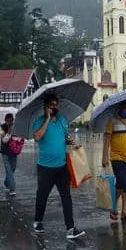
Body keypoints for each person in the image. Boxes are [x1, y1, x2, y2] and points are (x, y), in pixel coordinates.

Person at [32, 93, 85, 239]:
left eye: (56, 105)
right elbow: (37, 137)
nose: (55, 107)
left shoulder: (63, 121)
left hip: (61, 166)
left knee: (66, 197)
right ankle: (38, 221)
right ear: (46, 107)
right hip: (45, 168)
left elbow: (64, 137)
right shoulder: (39, 121)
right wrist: (48, 119)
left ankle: (70, 228)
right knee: (42, 196)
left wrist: (70, 141)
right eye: (52, 105)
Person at [0, 113, 18, 196]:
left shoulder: (16, 126)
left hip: (14, 151)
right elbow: (4, 140)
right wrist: (9, 131)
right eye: (7, 121)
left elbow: (18, 138)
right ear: (5, 120)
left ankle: (6, 182)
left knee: (13, 168)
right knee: (9, 170)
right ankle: (12, 189)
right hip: (5, 152)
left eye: (11, 120)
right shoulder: (2, 127)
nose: (9, 122)